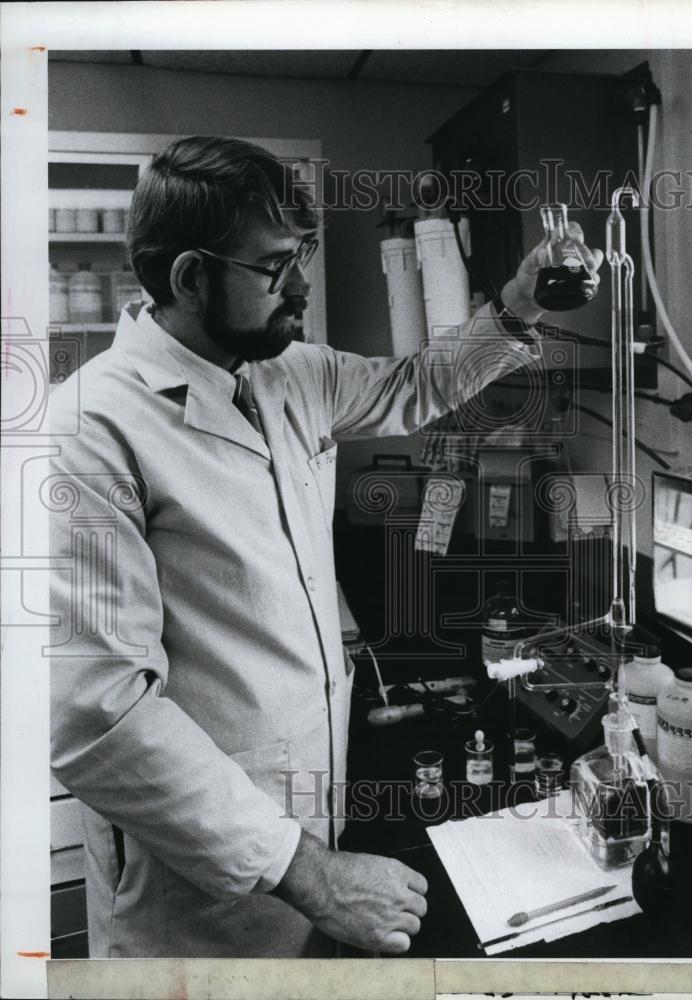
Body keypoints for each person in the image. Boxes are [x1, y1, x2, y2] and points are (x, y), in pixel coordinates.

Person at [49, 135, 603, 958]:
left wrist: (517, 305)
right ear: (190, 278)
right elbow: (99, 718)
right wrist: (310, 872)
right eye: (276, 266)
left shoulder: (285, 372)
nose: (301, 285)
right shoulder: (92, 429)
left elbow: (416, 385)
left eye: (301, 255)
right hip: (195, 884)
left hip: (314, 818)